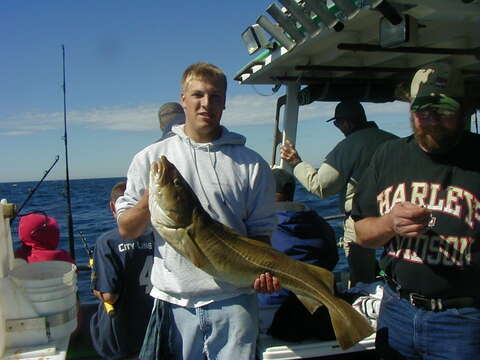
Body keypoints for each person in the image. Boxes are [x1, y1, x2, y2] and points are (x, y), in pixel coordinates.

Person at [115, 62, 279, 360]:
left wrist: (264, 272)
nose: (206, 104)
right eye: (198, 95)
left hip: (236, 301)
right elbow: (127, 228)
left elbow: (261, 235)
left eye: (215, 97)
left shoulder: (252, 164)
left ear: (225, 103)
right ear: (183, 99)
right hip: (173, 302)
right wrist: (153, 197)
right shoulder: (150, 158)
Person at [352, 62, 480, 359]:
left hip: (463, 321)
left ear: (463, 110)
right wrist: (389, 224)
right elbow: (361, 234)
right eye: (422, 109)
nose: (431, 119)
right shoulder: (388, 155)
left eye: (443, 109)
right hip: (397, 310)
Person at [280, 100, 398, 286]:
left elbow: (320, 187)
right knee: (399, 272)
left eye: (337, 124)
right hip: (395, 219)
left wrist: (296, 162)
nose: (338, 128)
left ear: (347, 123)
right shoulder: (393, 140)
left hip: (361, 222)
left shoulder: (349, 146)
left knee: (361, 280)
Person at [90, 181, 154, 359]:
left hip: (121, 338)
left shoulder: (107, 242)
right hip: (155, 330)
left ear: (113, 206)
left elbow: (110, 296)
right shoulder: (160, 237)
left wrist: (96, 288)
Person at [258, 167, 338, 306]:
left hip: (274, 303)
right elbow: (333, 258)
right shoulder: (319, 223)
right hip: (316, 301)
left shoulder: (261, 226)